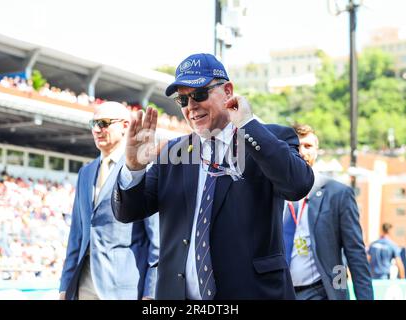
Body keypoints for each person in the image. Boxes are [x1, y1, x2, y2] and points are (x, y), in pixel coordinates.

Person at [112, 53, 314, 300]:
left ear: (228, 91)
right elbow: (127, 212)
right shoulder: (173, 152)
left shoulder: (266, 138)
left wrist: (248, 125)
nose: (191, 106)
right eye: (182, 100)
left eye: (199, 94)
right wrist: (133, 167)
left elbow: (298, 185)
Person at [59, 101, 159, 300]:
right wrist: (65, 286)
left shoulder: (142, 167)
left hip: (125, 286)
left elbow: (156, 239)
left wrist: (150, 293)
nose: (97, 129)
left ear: (125, 126)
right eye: (93, 124)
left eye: (104, 123)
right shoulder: (85, 172)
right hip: (84, 282)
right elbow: (76, 236)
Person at [284, 124, 373, 300]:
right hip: (281, 292)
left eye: (308, 146)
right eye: (296, 146)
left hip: (320, 292)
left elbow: (355, 254)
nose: (302, 152)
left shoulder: (338, 194)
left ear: (317, 150)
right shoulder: (272, 192)